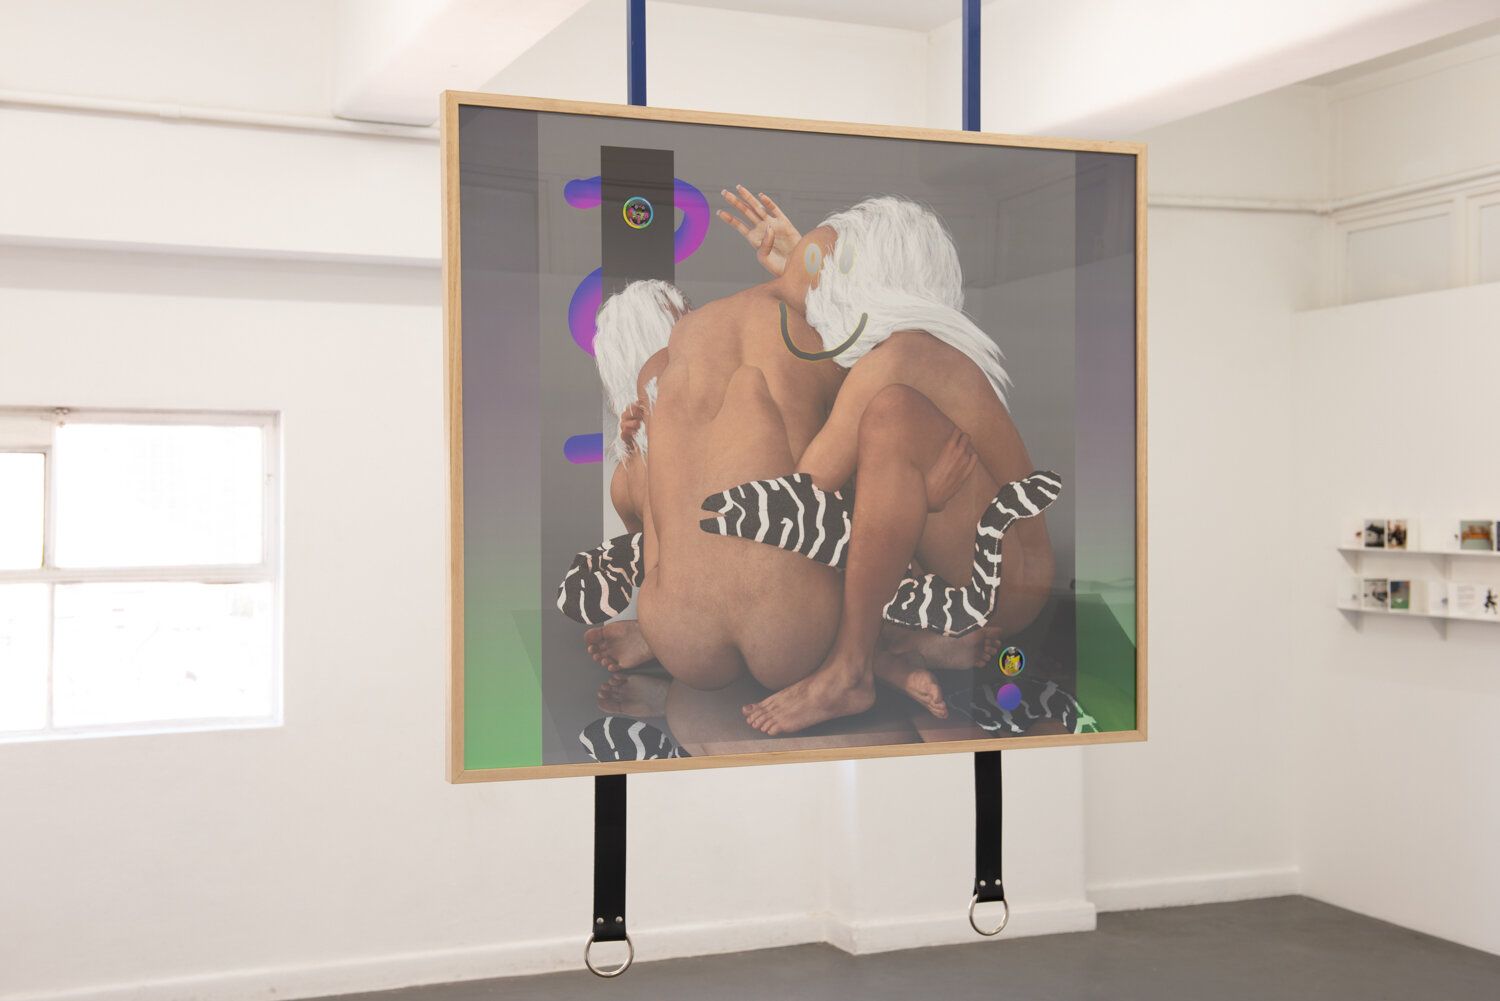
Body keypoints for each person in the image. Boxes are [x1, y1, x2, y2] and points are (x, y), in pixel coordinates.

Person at [708, 190, 1058, 735]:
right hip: (994, 574)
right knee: (869, 440)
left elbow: (806, 493)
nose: (814, 285)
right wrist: (804, 266)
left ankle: (851, 670)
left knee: (883, 424)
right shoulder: (914, 349)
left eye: (828, 271)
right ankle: (908, 650)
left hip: (1003, 585)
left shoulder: (899, 358)